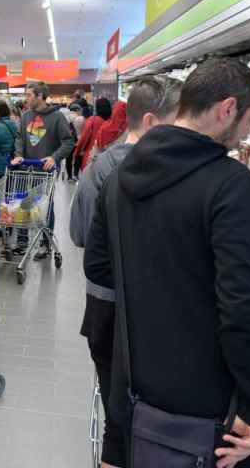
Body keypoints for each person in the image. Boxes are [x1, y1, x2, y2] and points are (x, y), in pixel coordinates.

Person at [85, 57, 250, 468]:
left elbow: (99, 267)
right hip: (205, 400)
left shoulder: (119, 174)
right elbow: (243, 304)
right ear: (227, 109)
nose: (249, 132)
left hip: (134, 378)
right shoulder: (233, 185)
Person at [69, 76, 182, 468]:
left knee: (119, 403)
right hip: (150, 309)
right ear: (151, 122)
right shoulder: (178, 172)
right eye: (180, 120)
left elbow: (79, 232)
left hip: (105, 304)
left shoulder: (102, 167)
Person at [11, 82, 75, 258]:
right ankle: (22, 242)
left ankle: (45, 243)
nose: (26, 98)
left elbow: (68, 142)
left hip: (44, 170)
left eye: (30, 95)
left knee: (44, 207)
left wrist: (54, 157)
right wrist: (18, 153)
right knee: (23, 204)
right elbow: (19, 138)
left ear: (40, 96)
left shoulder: (57, 118)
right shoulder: (26, 116)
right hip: (25, 167)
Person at [74, 97, 112, 172]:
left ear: (97, 108)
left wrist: (76, 153)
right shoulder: (112, 122)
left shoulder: (93, 120)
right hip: (108, 161)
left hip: (91, 159)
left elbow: (83, 139)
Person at [64, 104, 85, 181]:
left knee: (68, 158)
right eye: (80, 110)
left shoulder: (65, 118)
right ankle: (75, 174)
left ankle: (69, 176)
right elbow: (83, 130)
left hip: (68, 141)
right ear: (77, 110)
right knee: (78, 157)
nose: (81, 112)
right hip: (78, 141)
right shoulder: (80, 118)